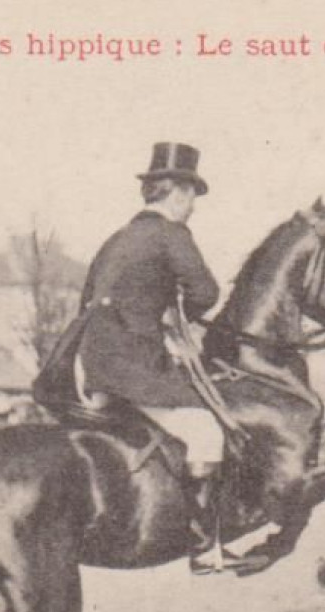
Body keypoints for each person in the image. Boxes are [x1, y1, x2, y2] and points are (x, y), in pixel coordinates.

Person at [44, 142, 232, 572]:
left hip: (91, 369)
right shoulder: (171, 234)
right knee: (206, 432)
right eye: (192, 198)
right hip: (132, 369)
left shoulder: (117, 238)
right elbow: (207, 294)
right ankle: (205, 549)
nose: (193, 209)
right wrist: (180, 314)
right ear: (178, 194)